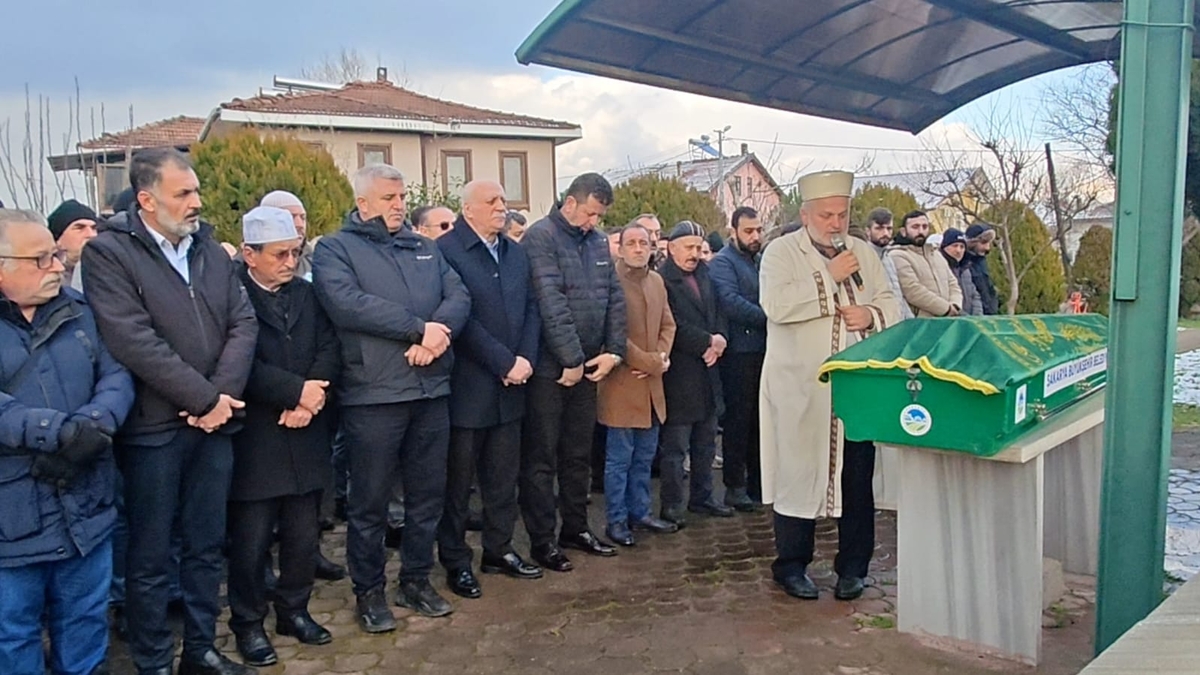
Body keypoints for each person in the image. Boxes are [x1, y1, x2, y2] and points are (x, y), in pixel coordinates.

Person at [82, 148, 259, 675]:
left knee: (207, 546)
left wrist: (219, 401)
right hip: (153, 432)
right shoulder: (109, 254)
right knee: (152, 554)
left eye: (196, 191)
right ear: (146, 198)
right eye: (183, 194)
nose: (196, 203)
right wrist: (202, 400)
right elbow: (133, 340)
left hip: (215, 426)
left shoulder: (209, 250)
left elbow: (242, 324)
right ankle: (154, 658)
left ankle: (201, 649)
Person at [312, 164, 470, 630]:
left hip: (431, 389)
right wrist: (418, 329)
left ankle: (417, 580)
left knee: (427, 496)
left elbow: (457, 296)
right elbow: (347, 303)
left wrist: (437, 337)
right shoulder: (335, 249)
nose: (399, 204)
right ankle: (370, 592)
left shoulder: (424, 248)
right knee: (370, 503)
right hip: (374, 395)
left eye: (401, 196)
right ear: (362, 203)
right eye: (388, 198)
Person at [0, 209, 134, 675]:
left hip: (86, 510)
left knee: (85, 625)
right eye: (41, 259)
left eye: (55, 255)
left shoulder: (81, 312)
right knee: (14, 637)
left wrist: (94, 425)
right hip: (12, 522)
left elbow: (117, 375)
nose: (57, 266)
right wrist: (57, 432)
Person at [759, 170, 900, 602]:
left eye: (842, 214)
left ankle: (853, 569)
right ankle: (791, 566)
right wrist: (828, 277)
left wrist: (871, 315)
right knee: (798, 474)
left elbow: (891, 302)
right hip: (801, 387)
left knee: (857, 478)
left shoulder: (863, 252)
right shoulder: (781, 252)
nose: (836, 222)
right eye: (826, 214)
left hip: (854, 388)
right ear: (805, 214)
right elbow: (776, 305)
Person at [226, 207, 340, 667]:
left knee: (302, 534)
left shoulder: (307, 295)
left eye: (295, 252)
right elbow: (238, 362)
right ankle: (248, 623)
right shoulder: (232, 297)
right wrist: (294, 393)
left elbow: (330, 346)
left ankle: (294, 609)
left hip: (307, 428)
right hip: (259, 435)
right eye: (279, 254)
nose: (290, 261)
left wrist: (312, 395)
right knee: (252, 542)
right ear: (250, 254)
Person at [435, 180, 543, 599]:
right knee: (459, 484)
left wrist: (526, 359)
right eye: (492, 201)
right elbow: (460, 320)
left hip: (513, 385)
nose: (502, 207)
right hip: (469, 387)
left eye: (503, 200)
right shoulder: (447, 251)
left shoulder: (515, 253)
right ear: (468, 209)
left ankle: (498, 549)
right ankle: (456, 560)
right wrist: (504, 362)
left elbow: (531, 309)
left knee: (503, 478)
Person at [520, 172, 626, 572]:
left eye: (599, 216)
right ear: (570, 203)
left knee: (578, 455)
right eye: (590, 213)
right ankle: (542, 539)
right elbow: (550, 302)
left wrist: (614, 351)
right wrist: (570, 359)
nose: (594, 222)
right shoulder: (541, 238)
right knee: (542, 458)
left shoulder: (598, 243)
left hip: (587, 367)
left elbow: (614, 299)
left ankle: (576, 527)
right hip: (552, 369)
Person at [597, 223, 678, 546]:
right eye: (630, 242)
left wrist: (660, 357)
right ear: (620, 247)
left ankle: (639, 512)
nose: (637, 248)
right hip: (622, 383)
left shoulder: (657, 281)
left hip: (652, 386)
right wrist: (648, 362)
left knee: (645, 456)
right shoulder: (609, 282)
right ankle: (616, 520)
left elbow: (669, 324)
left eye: (643, 242)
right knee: (619, 459)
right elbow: (611, 332)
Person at [658, 221, 735, 525]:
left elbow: (718, 312)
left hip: (709, 370)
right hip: (680, 373)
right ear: (671, 248)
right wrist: (706, 342)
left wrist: (720, 339)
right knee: (676, 447)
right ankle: (672, 504)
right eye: (687, 248)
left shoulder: (705, 273)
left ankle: (703, 498)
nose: (694, 254)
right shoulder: (662, 280)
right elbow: (670, 324)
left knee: (705, 442)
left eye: (697, 247)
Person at [708, 206, 765, 511]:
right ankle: (735, 485)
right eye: (748, 231)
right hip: (738, 353)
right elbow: (731, 303)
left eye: (758, 230)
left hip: (762, 349)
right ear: (734, 232)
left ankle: (758, 482)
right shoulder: (723, 264)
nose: (755, 236)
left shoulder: (758, 261)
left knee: (759, 421)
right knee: (738, 421)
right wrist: (771, 317)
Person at [886, 210, 962, 318]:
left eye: (924, 226)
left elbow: (953, 283)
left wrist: (955, 305)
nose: (920, 231)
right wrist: (945, 309)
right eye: (915, 227)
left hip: (947, 321)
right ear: (903, 231)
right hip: (921, 324)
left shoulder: (936, 254)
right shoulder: (898, 255)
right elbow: (913, 290)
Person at [259, 191, 315, 280]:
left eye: (303, 218)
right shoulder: (244, 267)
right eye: (291, 217)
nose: (299, 225)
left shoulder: (315, 262)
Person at [46, 199, 99, 292]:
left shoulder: (109, 271)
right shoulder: (44, 278)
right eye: (79, 228)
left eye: (93, 228)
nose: (91, 234)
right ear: (58, 239)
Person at [939, 228, 982, 316]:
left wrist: (977, 316)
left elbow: (974, 295)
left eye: (962, 247)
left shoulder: (965, 269)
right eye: (955, 246)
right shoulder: (939, 268)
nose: (958, 250)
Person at [964, 223, 1000, 315]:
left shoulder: (981, 262)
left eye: (989, 243)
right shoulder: (963, 264)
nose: (987, 248)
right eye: (983, 243)